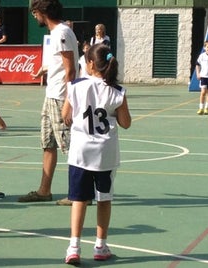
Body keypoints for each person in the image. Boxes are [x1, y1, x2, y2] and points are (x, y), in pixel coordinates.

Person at [61, 43, 131, 265]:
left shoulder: (76, 86)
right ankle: (100, 245)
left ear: (90, 64)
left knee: (79, 199)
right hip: (105, 153)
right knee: (104, 199)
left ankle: (74, 246)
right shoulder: (117, 91)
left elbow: (66, 115)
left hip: (81, 151)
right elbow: (126, 123)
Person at [19, 0, 79, 206]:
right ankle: (44, 190)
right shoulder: (58, 33)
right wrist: (45, 69)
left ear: (42, 12)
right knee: (48, 143)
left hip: (61, 97)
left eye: (34, 13)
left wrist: (68, 102)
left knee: (70, 146)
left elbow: (70, 70)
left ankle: (78, 193)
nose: (34, 17)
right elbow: (61, 64)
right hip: (51, 95)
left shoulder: (61, 33)